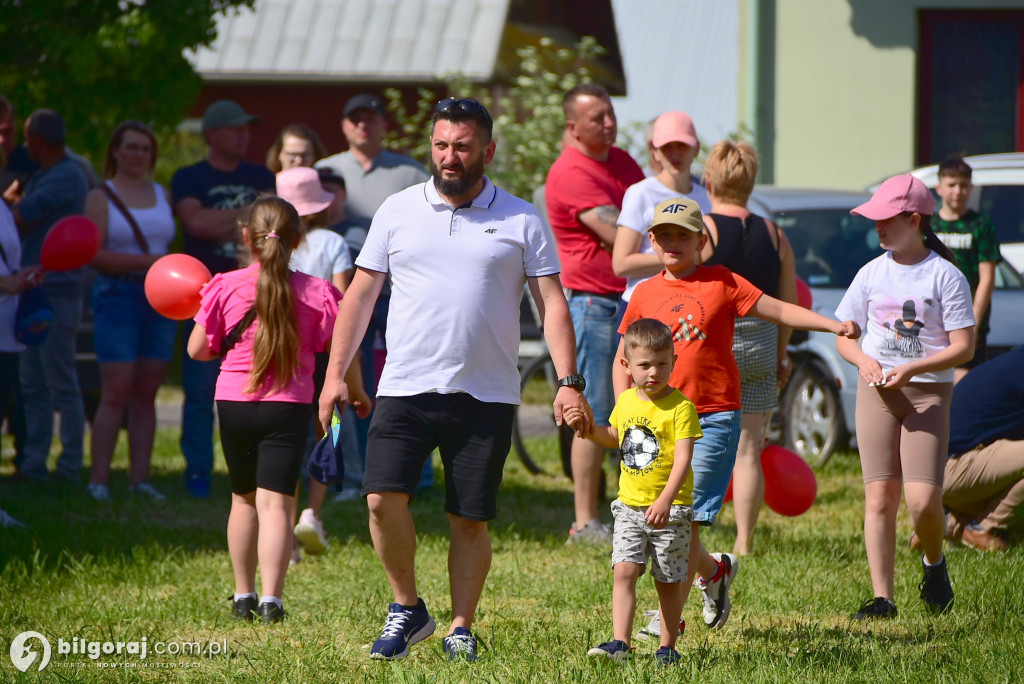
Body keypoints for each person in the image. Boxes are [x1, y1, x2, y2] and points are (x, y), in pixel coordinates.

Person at [317, 97, 588, 662]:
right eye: (441, 145)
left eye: (462, 146)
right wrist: (334, 374)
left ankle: (461, 625)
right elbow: (360, 296)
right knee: (379, 501)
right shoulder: (396, 210)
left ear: (487, 150)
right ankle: (407, 608)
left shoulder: (519, 218)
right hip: (405, 385)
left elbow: (552, 304)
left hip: (485, 393)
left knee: (469, 518)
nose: (449, 156)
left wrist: (568, 380)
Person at [616, 198, 859, 634]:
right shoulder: (644, 293)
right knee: (674, 519)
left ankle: (670, 614)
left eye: (683, 235)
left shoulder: (722, 282)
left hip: (712, 418)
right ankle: (713, 573)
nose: (673, 242)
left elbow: (779, 308)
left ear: (701, 241)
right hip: (658, 424)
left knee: (681, 517)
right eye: (664, 234)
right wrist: (623, 415)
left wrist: (830, 325)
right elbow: (623, 359)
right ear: (651, 240)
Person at [187, 196, 368, 623]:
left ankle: (242, 595)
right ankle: (272, 601)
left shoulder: (223, 286)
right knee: (276, 505)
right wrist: (356, 392)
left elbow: (197, 350)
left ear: (246, 238)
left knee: (243, 501)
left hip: (233, 404)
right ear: (298, 240)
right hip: (287, 407)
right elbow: (343, 350)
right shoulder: (319, 293)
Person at [834, 174, 975, 619]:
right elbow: (844, 335)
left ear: (915, 220)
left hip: (927, 395)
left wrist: (913, 367)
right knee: (879, 498)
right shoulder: (870, 273)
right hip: (877, 393)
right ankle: (884, 598)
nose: (876, 227)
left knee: (921, 502)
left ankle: (934, 564)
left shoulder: (946, 276)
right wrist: (862, 360)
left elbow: (963, 347)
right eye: (873, 218)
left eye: (886, 219)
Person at [565, 318, 701, 666]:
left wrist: (665, 500)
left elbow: (683, 459)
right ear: (627, 365)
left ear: (673, 361)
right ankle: (620, 642)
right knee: (624, 570)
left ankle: (667, 648)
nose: (653, 372)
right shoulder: (626, 401)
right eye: (644, 365)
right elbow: (615, 437)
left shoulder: (681, 408)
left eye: (661, 364)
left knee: (667, 582)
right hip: (628, 508)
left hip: (670, 511)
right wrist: (588, 429)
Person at [316, 93, 432, 494]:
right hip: (348, 295)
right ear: (345, 125)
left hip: (402, 292)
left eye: (371, 118)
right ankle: (350, 473)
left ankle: (421, 473)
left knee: (415, 380)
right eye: (355, 119)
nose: (363, 125)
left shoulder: (411, 172)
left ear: (385, 125)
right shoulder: (324, 171)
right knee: (350, 382)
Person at [545, 83, 645, 543]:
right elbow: (618, 233)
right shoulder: (571, 172)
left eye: (610, 114)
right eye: (597, 118)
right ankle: (584, 522)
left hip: (630, 300)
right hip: (594, 304)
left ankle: (634, 503)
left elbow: (653, 211)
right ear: (573, 127)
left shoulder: (621, 161)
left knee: (638, 408)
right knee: (595, 412)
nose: (609, 123)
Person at [172, 99, 276, 498]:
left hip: (258, 294)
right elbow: (195, 223)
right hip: (206, 295)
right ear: (211, 133)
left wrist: (225, 223)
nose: (243, 134)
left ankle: (256, 472)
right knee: (199, 389)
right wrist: (255, 214)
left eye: (246, 128)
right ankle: (198, 471)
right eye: (234, 128)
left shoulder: (261, 174)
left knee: (260, 389)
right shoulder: (189, 177)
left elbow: (273, 228)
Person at [699, 140, 798, 556]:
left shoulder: (702, 228)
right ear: (751, 183)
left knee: (696, 439)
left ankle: (693, 528)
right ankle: (743, 541)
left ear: (708, 181)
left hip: (714, 343)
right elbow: (787, 304)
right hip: (760, 342)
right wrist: (779, 354)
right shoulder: (776, 235)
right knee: (748, 447)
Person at [83, 121, 177, 502]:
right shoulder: (100, 197)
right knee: (116, 390)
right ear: (116, 151)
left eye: (146, 149)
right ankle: (99, 481)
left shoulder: (162, 193)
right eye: (132, 147)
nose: (139, 155)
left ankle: (141, 479)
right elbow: (93, 253)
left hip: (161, 301)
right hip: (117, 297)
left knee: (147, 391)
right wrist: (150, 260)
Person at [274, 166, 358, 559]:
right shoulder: (333, 241)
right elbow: (343, 302)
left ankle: (286, 531)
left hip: (283, 350)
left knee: (288, 439)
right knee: (330, 429)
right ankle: (313, 512)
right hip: (326, 350)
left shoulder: (274, 241)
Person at [5, 109, 88, 483]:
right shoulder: (44, 175)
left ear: (38, 140)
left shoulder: (67, 175)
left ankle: (70, 465)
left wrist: (7, 202)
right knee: (32, 382)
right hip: (31, 288)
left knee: (59, 378)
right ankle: (34, 463)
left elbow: (21, 217)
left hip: (58, 292)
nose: (23, 146)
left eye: (25, 138)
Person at [613, 110, 710, 304]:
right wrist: (685, 257)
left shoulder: (707, 197)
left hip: (694, 304)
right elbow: (621, 264)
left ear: (696, 148)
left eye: (682, 145)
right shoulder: (640, 192)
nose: (675, 153)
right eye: (667, 147)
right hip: (645, 306)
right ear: (654, 152)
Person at [938, 344, 1024, 551]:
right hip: (954, 470)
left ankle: (946, 523)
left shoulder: (1010, 363)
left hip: (936, 480)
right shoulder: (1019, 369)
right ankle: (983, 528)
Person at [932, 157, 1001, 382]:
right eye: (952, 184)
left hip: (966, 316)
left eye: (963, 185)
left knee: (963, 382)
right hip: (932, 314)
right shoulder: (928, 225)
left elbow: (987, 278)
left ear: (971, 188)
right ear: (939, 187)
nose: (958, 191)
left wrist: (975, 321)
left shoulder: (980, 225)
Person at [0, 193, 42, 527]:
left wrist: (20, 276)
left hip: (7, 333)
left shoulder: (3, 205)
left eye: (7, 136)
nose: (4, 140)